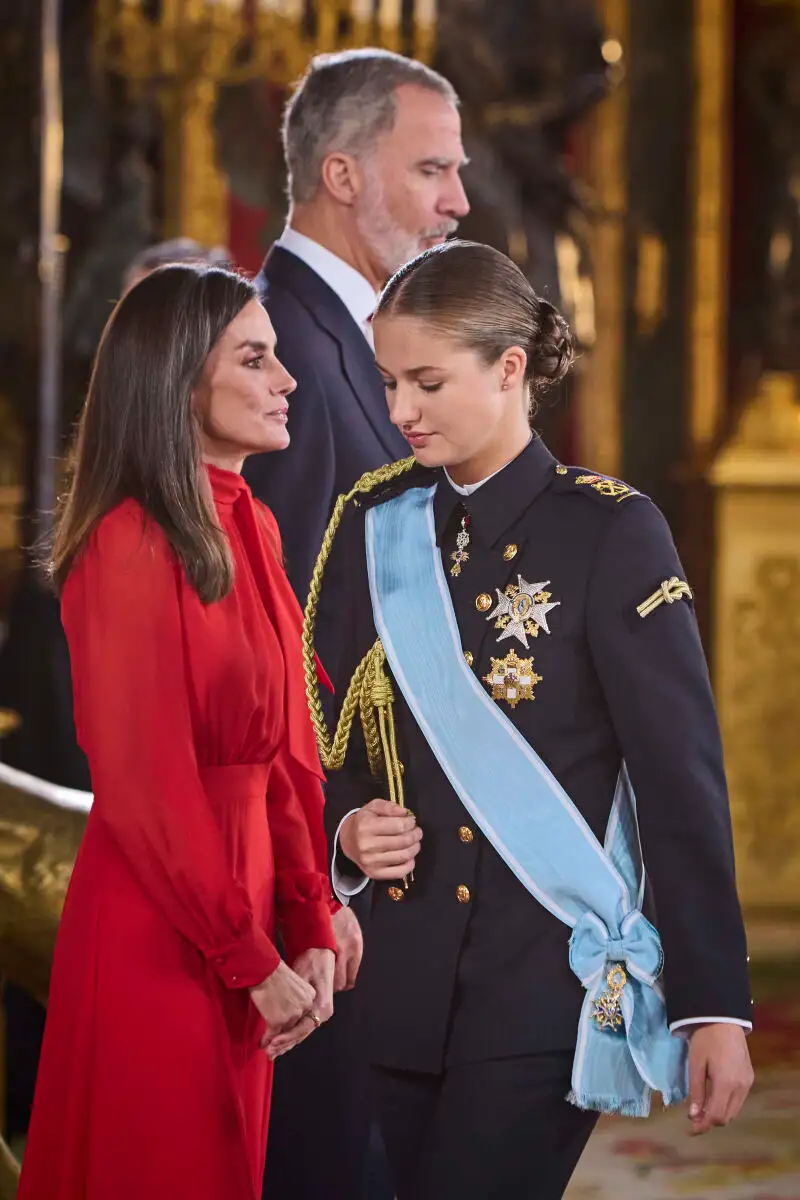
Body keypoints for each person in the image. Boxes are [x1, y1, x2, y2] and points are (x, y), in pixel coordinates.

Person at [307, 240, 755, 1200]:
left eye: (427, 381)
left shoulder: (610, 530)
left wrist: (714, 1006)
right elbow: (320, 729)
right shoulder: (371, 521)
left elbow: (681, 777)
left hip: (542, 986)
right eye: (388, 382)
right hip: (398, 979)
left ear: (509, 368)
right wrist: (345, 827)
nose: (398, 412)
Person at [17, 265, 337, 1200]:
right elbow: (146, 787)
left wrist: (309, 920)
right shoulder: (126, 542)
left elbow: (284, 755)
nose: (286, 380)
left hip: (244, 921)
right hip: (159, 926)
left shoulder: (255, 526)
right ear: (177, 383)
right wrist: (246, 953)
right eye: (256, 358)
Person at [242, 48, 469, 1200]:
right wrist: (320, 865)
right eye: (429, 169)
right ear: (339, 172)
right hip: (329, 887)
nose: (457, 202)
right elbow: (271, 647)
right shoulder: (277, 351)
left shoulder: (361, 348)